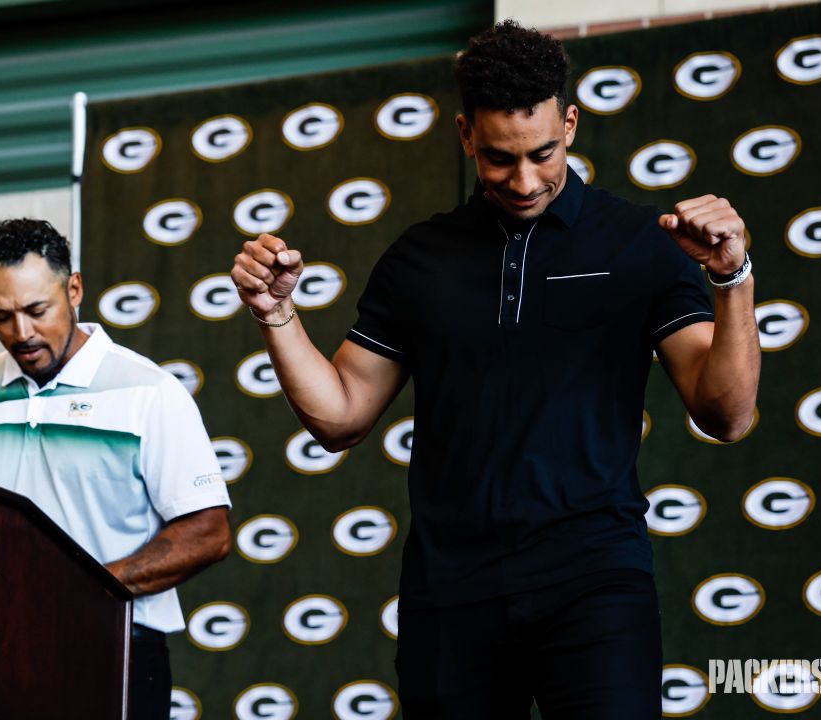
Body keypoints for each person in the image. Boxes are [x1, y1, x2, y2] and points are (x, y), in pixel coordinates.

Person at [230, 21, 759, 719]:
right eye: (500, 159)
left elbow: (727, 414)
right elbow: (340, 416)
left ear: (569, 123)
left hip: (593, 580)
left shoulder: (640, 243)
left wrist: (733, 279)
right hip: (450, 591)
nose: (525, 180)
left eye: (542, 153)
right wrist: (276, 315)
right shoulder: (420, 259)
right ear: (465, 136)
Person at [0, 218, 232, 719]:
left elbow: (208, 533)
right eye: (1, 316)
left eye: (37, 310)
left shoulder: (147, 391)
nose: (21, 333)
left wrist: (76, 592)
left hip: (113, 650)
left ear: (75, 289)